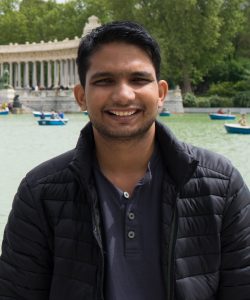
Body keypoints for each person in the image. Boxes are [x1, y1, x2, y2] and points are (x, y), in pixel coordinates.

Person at [0, 21, 250, 300]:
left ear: (161, 94)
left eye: (138, 80)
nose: (123, 95)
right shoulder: (38, 193)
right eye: (105, 81)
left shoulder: (223, 185)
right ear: (81, 96)